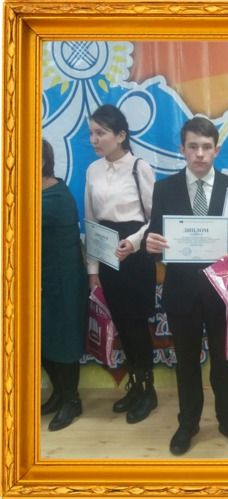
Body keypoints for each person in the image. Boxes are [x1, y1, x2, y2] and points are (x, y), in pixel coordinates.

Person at [145, 116, 228, 455]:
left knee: (225, 362)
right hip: (182, 292)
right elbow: (156, 237)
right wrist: (151, 245)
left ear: (217, 150)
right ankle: (188, 423)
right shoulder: (165, 189)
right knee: (186, 363)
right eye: (193, 147)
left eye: (206, 147)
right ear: (183, 149)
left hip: (221, 293)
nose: (200, 154)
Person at [84, 104, 157, 424]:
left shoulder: (140, 167)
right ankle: (134, 385)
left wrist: (135, 242)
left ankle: (148, 390)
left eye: (100, 133)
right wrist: (93, 270)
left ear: (121, 135)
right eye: (91, 133)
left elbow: (155, 217)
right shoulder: (92, 170)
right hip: (107, 253)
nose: (94, 139)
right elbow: (90, 221)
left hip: (135, 255)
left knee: (137, 325)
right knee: (122, 326)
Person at [41, 138, 88, 431]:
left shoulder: (56, 198)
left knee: (64, 344)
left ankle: (72, 399)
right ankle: (59, 393)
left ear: (42, 161)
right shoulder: (28, 193)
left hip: (63, 283)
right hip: (40, 283)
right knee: (42, 344)